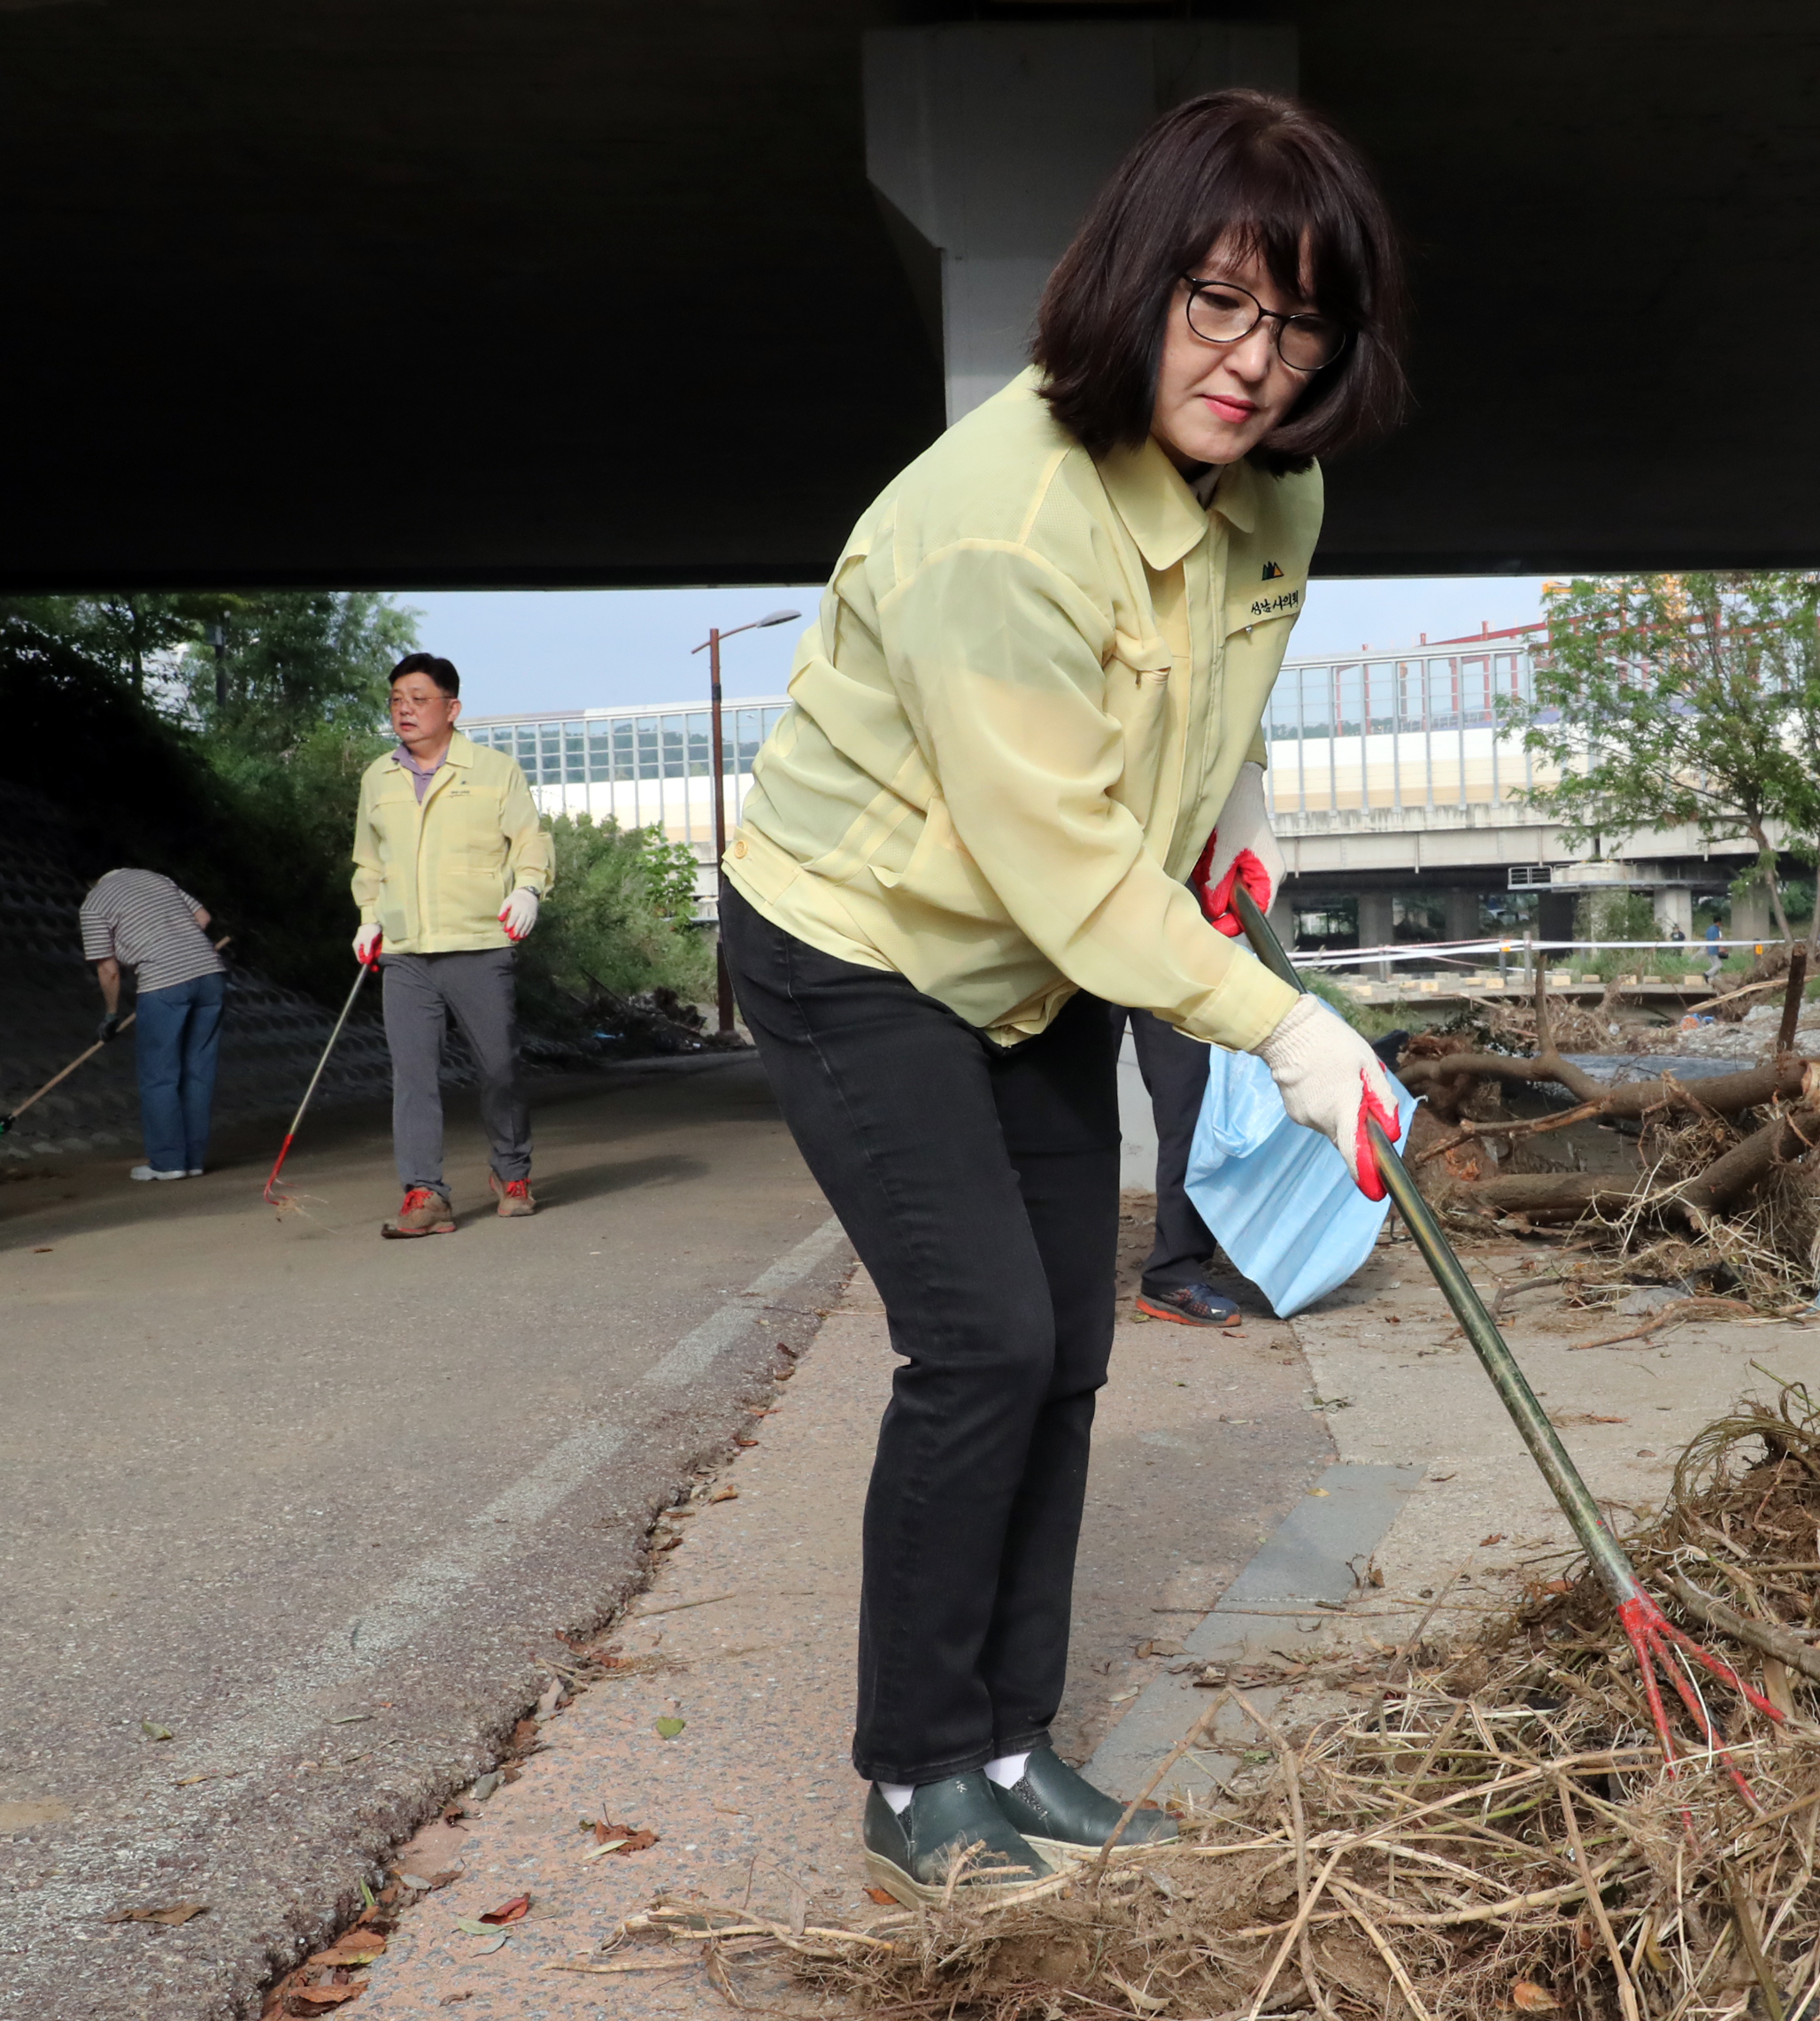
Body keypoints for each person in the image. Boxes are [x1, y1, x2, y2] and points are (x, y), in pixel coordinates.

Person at [713, 91, 1409, 1897]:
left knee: (1074, 1345)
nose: (1255, 365)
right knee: (986, 1338)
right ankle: (914, 1769)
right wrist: (1287, 1019)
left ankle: (1014, 1741)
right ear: (1134, 281)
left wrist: (1236, 822)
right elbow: (1069, 871)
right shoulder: (997, 529)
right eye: (1220, 304)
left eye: (1300, 323)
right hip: (863, 940)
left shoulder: (1284, 489)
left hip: (1032, 947)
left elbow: (1212, 703)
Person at [350, 652, 555, 1238]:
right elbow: (369, 861)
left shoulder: (493, 771)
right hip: (406, 952)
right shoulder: (377, 778)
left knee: (501, 1068)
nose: (404, 709)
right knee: (413, 1076)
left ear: (452, 707)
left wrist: (530, 889)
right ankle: (424, 1193)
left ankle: (512, 1174)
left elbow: (529, 841)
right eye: (395, 699)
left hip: (479, 944)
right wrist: (368, 917)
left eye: (418, 698)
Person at [77, 867, 224, 1181]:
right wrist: (181, 946)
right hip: (210, 975)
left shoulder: (93, 903)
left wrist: (111, 1014)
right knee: (198, 1071)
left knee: (159, 1076)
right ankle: (193, 1160)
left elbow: (109, 969)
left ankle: (169, 1162)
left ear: (90, 880)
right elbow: (203, 918)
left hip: (163, 984)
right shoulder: (156, 878)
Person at [1113, 1006, 1240, 1326]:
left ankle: (1174, 1272)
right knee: (1067, 1103)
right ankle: (1051, 1272)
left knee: (1192, 1106)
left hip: (1171, 961)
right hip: (1076, 960)